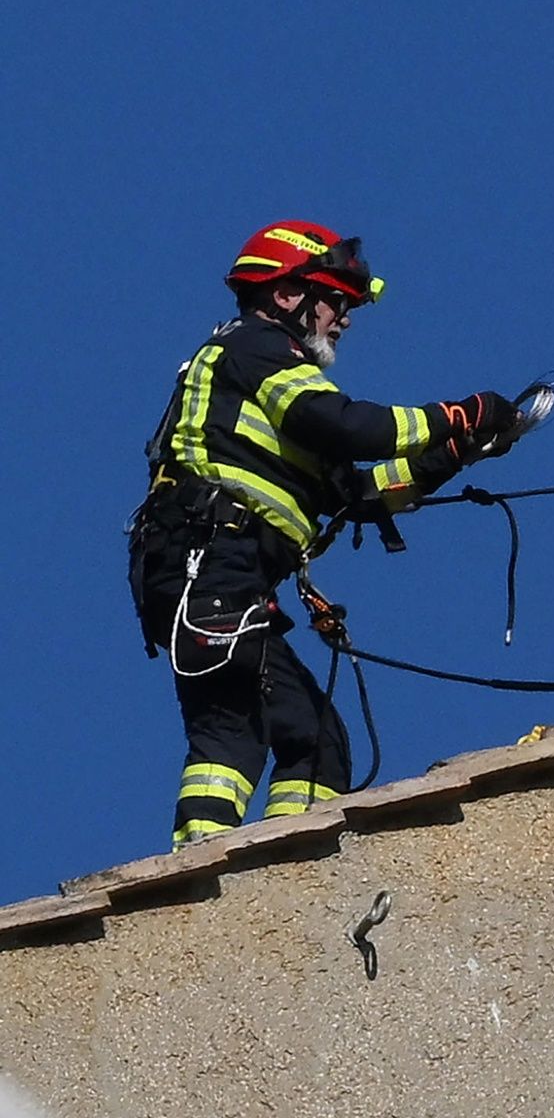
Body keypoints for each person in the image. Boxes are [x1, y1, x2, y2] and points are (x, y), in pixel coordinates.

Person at [128, 221, 520, 849]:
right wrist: (452, 414)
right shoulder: (252, 347)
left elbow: (360, 493)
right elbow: (345, 424)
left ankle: (273, 869)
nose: (345, 319)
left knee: (314, 741)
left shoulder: (274, 390)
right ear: (288, 295)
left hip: (217, 575)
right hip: (211, 562)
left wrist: (459, 449)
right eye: (337, 299)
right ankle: (202, 873)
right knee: (233, 728)